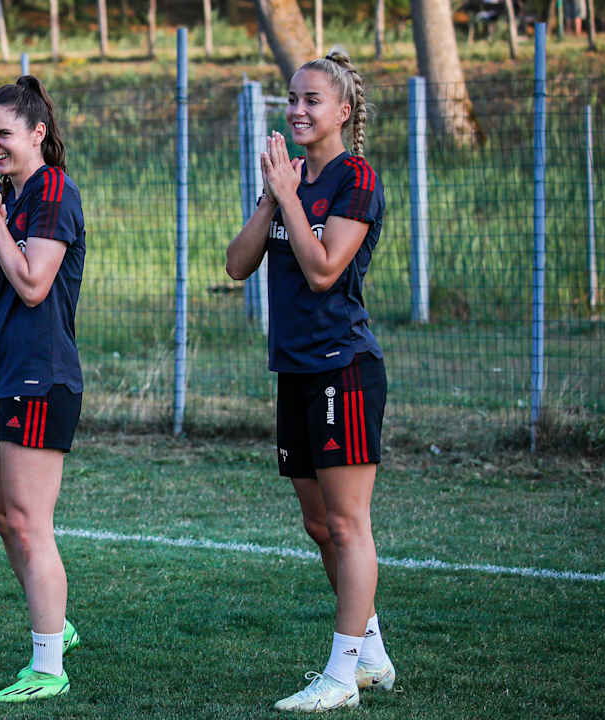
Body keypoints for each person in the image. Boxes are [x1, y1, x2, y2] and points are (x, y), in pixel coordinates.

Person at [225, 48, 395, 713]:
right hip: (294, 370)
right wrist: (274, 195)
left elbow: (324, 270)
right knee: (319, 522)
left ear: (343, 111)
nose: (297, 109)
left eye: (311, 100)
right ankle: (371, 652)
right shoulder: (287, 180)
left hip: (342, 368)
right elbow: (237, 264)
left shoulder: (356, 179)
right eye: (292, 98)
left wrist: (291, 198)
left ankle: (341, 675)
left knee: (348, 524)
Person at [0, 75, 85, 704]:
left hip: (41, 376)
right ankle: (57, 624)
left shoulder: (54, 193)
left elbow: (34, 285)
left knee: (32, 524)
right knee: (4, 516)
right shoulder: (7, 198)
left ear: (37, 133)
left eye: (3, 133)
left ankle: (48, 666)